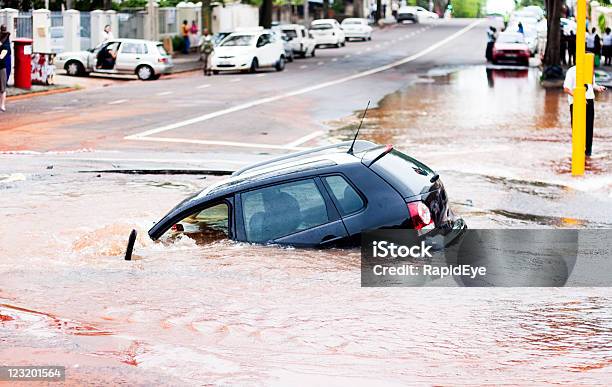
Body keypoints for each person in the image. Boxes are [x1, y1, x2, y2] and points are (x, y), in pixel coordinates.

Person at [563, 65, 607, 156]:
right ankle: (577, 153)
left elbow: (592, 85)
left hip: (590, 100)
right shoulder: (572, 71)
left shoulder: (589, 70)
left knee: (589, 128)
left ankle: (588, 153)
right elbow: (566, 89)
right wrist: (578, 96)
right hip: (576, 102)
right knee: (577, 128)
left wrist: (598, 87)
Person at [0, 27, 10, 112]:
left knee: (2, 88)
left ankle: (2, 105)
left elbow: (2, 55)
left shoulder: (6, 43)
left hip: (1, 67)